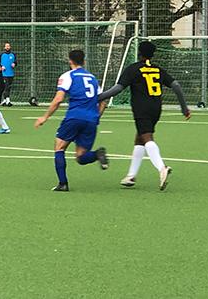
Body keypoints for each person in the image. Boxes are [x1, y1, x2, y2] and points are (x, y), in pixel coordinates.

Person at [98, 41, 191, 191]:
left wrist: (99, 97)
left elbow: (118, 89)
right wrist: (184, 108)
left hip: (142, 108)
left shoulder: (134, 69)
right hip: (156, 108)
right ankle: (131, 176)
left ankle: (162, 168)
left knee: (147, 137)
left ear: (139, 53)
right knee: (140, 138)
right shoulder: (158, 69)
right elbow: (176, 86)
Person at [34, 49, 108, 191]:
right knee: (81, 156)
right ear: (84, 61)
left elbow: (59, 99)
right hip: (91, 120)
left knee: (59, 147)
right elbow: (103, 101)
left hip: (74, 117)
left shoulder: (68, 76)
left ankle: (63, 183)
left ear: (70, 61)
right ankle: (98, 154)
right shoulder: (92, 78)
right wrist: (97, 116)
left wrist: (45, 116)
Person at [0, 42, 17, 106]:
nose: (7, 47)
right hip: (4, 74)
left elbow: (15, 62)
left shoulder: (13, 55)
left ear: (10, 47)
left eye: (8, 46)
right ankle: (8, 100)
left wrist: (14, 64)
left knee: (8, 87)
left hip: (11, 74)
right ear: (4, 47)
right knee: (6, 86)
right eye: (6, 46)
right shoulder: (2, 55)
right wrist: (2, 66)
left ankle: (4, 100)